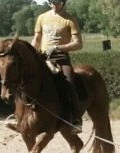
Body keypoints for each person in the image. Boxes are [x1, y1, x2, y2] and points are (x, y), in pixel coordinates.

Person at [31, 0, 83, 134]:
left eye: (58, 2)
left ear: (63, 3)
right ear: (49, 3)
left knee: (69, 84)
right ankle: (20, 117)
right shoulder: (42, 18)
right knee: (25, 80)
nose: (55, 4)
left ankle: (76, 120)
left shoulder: (70, 20)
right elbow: (37, 39)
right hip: (43, 58)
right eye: (52, 1)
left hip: (61, 59)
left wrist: (57, 47)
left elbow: (78, 44)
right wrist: (31, 53)